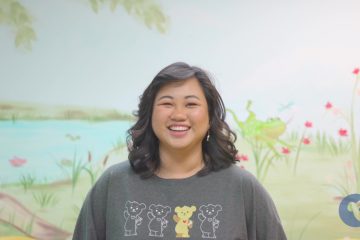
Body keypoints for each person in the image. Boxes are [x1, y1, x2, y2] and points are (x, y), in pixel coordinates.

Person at [72, 62, 287, 240]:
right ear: (150, 115)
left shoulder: (242, 188)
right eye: (167, 103)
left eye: (191, 104)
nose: (178, 114)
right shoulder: (114, 185)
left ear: (210, 116)